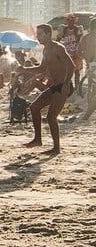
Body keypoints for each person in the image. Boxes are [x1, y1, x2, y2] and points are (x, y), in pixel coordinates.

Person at [21, 23, 74, 152]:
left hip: (63, 86)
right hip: (55, 86)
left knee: (51, 117)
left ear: (48, 35)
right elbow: (42, 68)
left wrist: (66, 83)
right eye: (37, 34)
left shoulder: (57, 48)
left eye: (40, 34)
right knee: (34, 107)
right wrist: (24, 69)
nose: (38, 37)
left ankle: (56, 148)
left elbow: (71, 65)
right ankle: (37, 139)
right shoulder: (45, 49)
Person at [58, 14, 84, 93]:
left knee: (77, 72)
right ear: (67, 21)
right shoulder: (63, 29)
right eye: (69, 21)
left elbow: (79, 42)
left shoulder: (78, 29)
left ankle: (76, 89)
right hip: (66, 54)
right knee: (66, 72)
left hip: (76, 54)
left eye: (72, 21)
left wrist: (78, 52)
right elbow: (58, 39)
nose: (71, 23)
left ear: (75, 21)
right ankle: (67, 87)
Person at [80, 19, 96, 121]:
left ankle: (89, 112)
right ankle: (87, 115)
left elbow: (78, 52)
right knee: (94, 91)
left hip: (90, 64)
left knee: (92, 89)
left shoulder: (85, 38)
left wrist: (87, 59)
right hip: (94, 65)